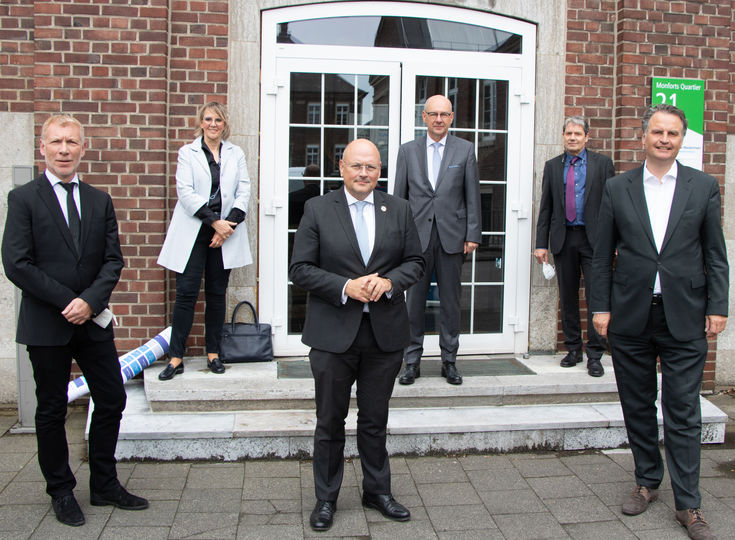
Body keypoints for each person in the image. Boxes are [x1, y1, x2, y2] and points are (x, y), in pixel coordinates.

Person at [1, 115, 149, 527]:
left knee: (113, 397)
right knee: (50, 409)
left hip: (94, 321)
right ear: (42, 147)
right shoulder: (24, 198)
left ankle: (104, 484)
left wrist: (90, 301)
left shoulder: (100, 200)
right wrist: (70, 301)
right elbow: (17, 263)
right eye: (56, 142)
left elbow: (112, 260)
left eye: (72, 142)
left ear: (84, 148)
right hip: (48, 323)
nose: (64, 149)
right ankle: (61, 491)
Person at [591, 104, 728, 540]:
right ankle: (647, 480)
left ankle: (689, 504)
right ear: (643, 136)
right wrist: (600, 308)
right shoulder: (618, 187)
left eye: (672, 133)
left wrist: (718, 307)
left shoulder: (703, 186)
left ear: (682, 139)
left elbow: (714, 253)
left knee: (684, 410)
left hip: (685, 315)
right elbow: (601, 255)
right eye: (657, 132)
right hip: (630, 313)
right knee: (637, 404)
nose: (665, 139)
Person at [289, 139, 424, 532]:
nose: (364, 173)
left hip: (384, 335)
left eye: (371, 167)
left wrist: (389, 282)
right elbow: (300, 269)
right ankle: (326, 499)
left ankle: (377, 491)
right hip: (333, 335)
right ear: (341, 167)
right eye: (356, 166)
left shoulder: (398, 209)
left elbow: (415, 261)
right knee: (329, 421)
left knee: (375, 420)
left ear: (380, 170)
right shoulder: (317, 208)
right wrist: (345, 286)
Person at [157, 102, 252, 379]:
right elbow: (185, 192)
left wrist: (228, 225)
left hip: (225, 235)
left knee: (216, 294)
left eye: (218, 120)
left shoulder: (236, 153)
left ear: (225, 124)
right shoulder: (187, 153)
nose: (213, 124)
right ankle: (176, 357)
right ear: (201, 123)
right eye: (208, 119)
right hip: (195, 231)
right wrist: (214, 223)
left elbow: (243, 189)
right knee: (186, 294)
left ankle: (213, 353)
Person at [394, 94, 481, 386]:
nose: (439, 119)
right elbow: (399, 198)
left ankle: (449, 360)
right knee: (413, 302)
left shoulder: (465, 150)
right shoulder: (407, 151)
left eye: (444, 114)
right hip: (415, 239)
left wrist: (472, 233)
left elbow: (472, 196)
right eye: (433, 114)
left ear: (452, 117)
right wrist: (397, 237)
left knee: (451, 302)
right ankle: (411, 361)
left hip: (452, 237)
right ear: (424, 117)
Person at [534, 116, 615, 377]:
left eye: (577, 134)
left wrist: (615, 241)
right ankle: (573, 349)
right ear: (563, 135)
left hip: (595, 241)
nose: (572, 138)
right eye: (568, 133)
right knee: (568, 296)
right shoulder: (553, 166)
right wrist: (540, 244)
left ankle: (595, 354)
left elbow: (614, 207)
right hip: (563, 238)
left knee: (596, 297)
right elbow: (545, 207)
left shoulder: (603, 165)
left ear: (587, 137)